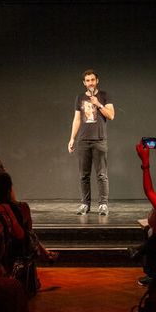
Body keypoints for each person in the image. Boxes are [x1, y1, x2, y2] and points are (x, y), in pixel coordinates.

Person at [67, 69, 115, 216]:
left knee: (101, 174)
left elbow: (111, 115)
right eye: (87, 80)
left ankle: (103, 205)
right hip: (83, 140)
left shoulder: (105, 96)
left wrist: (98, 104)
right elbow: (76, 119)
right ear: (84, 83)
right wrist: (72, 138)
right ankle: (85, 204)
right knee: (84, 175)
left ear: (97, 81)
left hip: (99, 140)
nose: (90, 83)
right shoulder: (80, 97)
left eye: (92, 80)